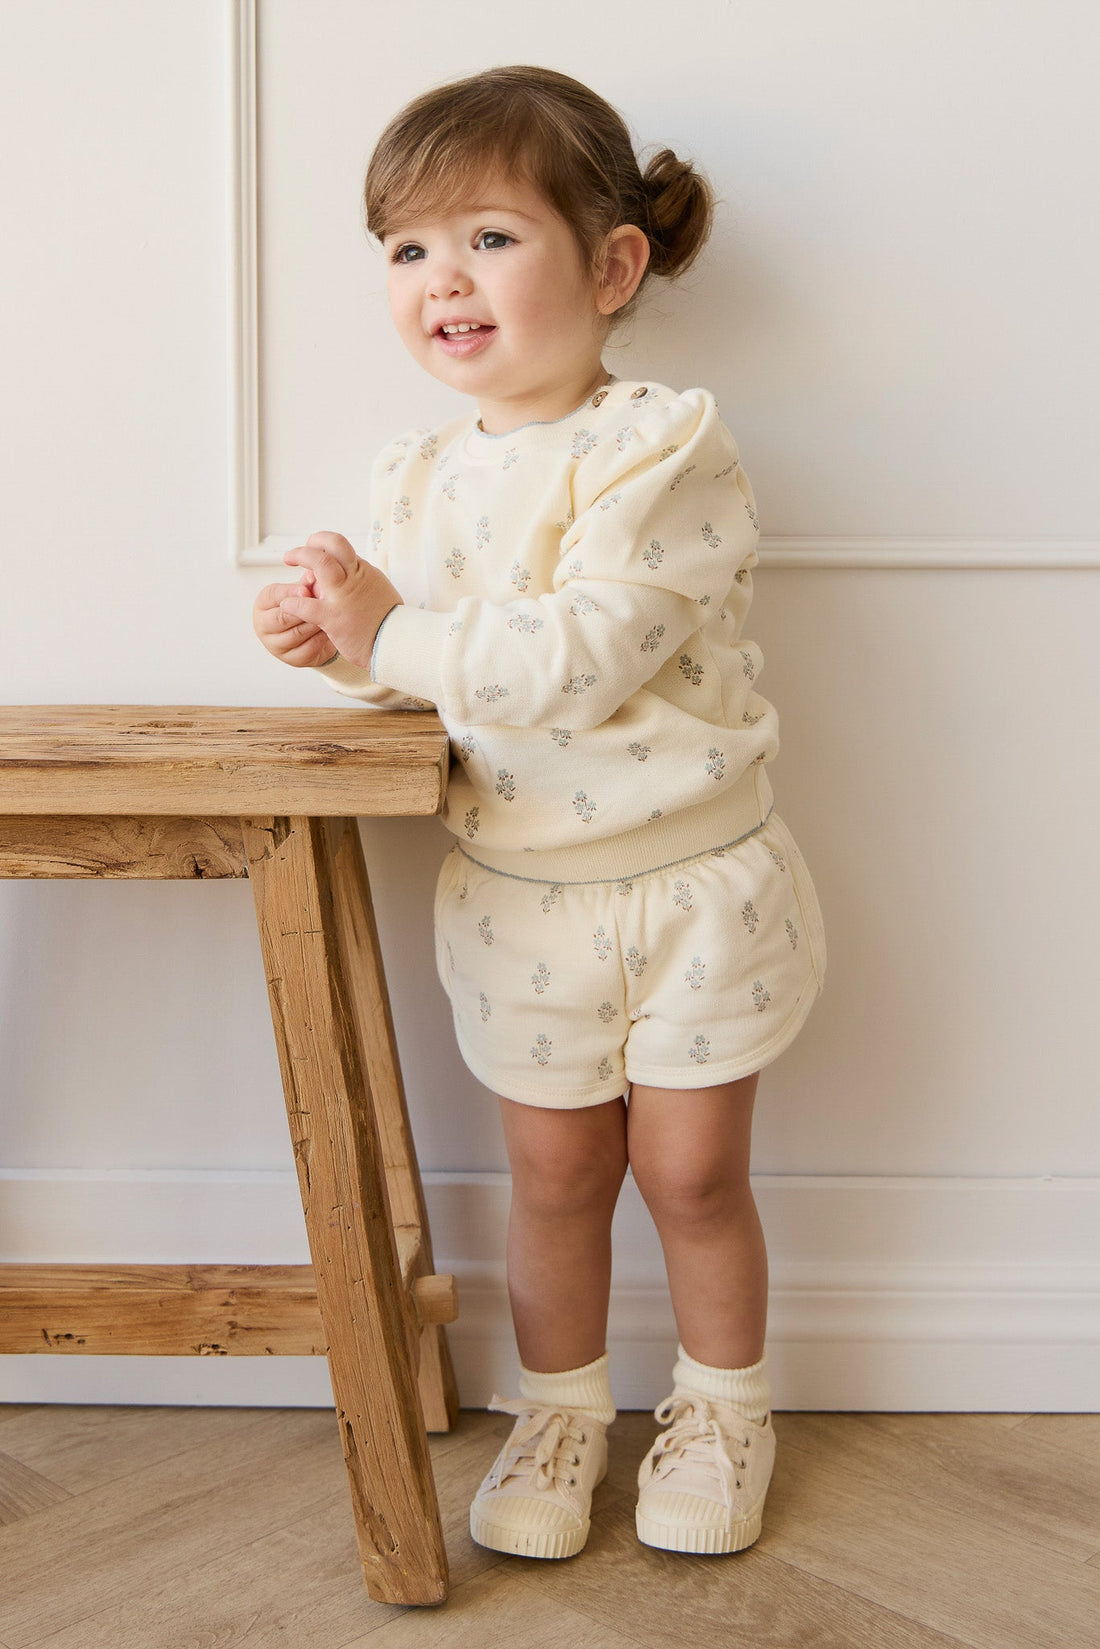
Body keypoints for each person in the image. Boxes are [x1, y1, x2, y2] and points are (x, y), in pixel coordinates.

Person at [253, 64, 827, 1562]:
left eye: (490, 238)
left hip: (691, 888)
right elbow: (443, 683)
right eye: (408, 248)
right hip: (519, 898)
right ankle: (561, 1409)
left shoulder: (662, 446)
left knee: (691, 1173)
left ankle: (724, 1406)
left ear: (612, 266)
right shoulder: (418, 477)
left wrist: (390, 633)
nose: (443, 278)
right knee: (557, 1177)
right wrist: (340, 646)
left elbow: (578, 657)